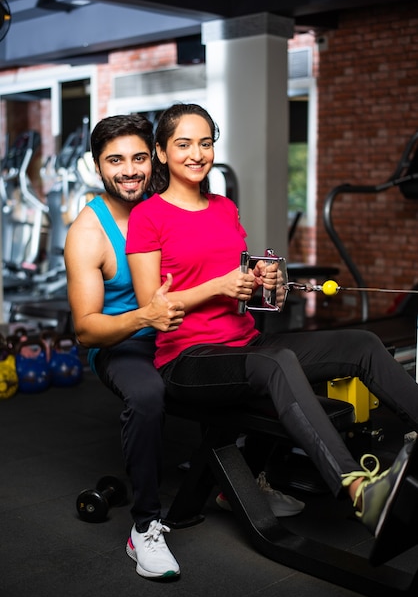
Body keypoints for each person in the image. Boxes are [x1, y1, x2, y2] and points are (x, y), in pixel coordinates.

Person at [126, 102, 418, 538]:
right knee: (278, 361)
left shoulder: (224, 208)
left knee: (360, 343)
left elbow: (244, 284)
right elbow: (154, 307)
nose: (197, 153)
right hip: (187, 358)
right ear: (162, 153)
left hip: (244, 344)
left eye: (205, 143)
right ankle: (361, 492)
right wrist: (219, 287)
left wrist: (268, 281)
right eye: (183, 143)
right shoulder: (148, 216)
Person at [64, 114, 186, 580]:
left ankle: (238, 480)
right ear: (98, 166)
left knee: (253, 358)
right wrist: (144, 318)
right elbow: (87, 331)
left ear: (153, 156)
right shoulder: (88, 232)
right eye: (115, 160)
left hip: (178, 330)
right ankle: (145, 528)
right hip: (123, 341)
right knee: (149, 394)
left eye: (138, 157)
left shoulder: (167, 204)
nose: (130, 170)